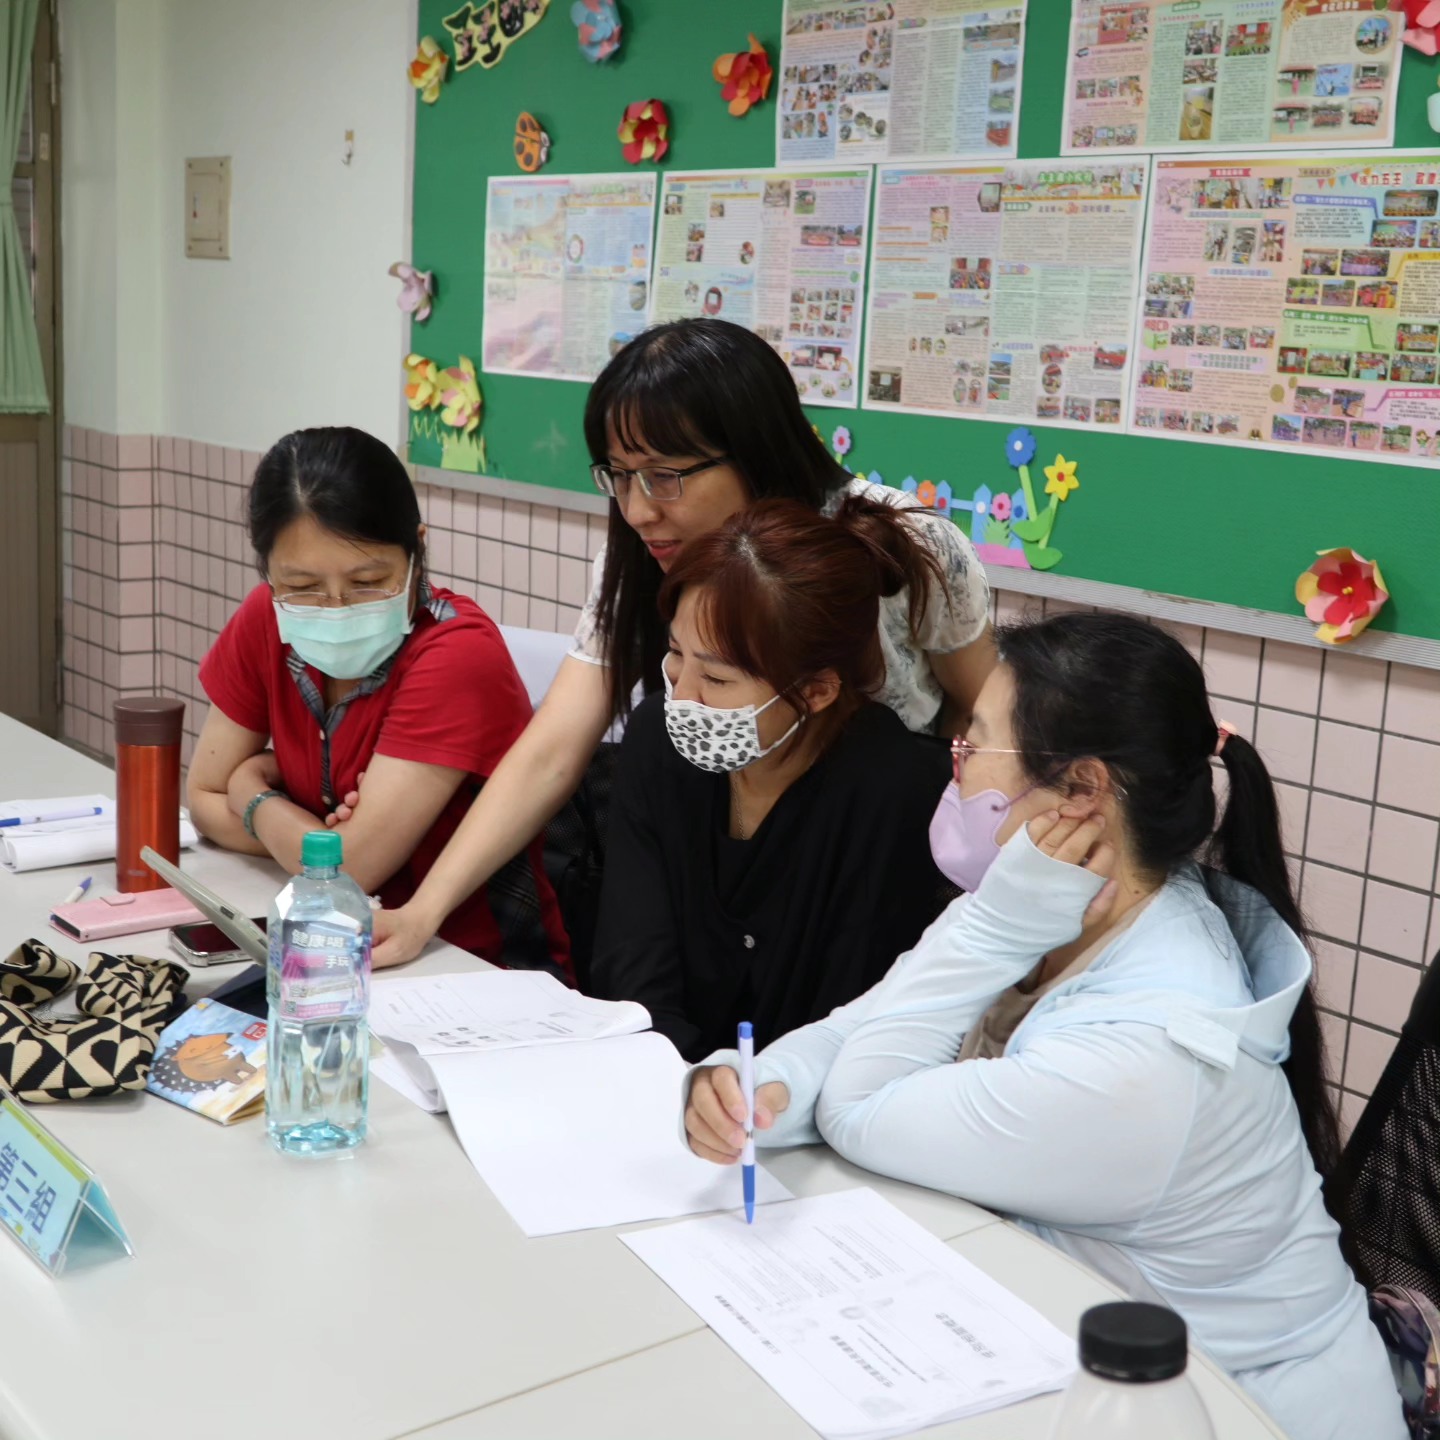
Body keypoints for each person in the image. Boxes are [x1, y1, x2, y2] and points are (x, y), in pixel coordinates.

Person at [684, 613, 1405, 1440]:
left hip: (1237, 1415)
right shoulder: (1054, 902)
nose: (954, 768)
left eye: (973, 746)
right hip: (1097, 1369)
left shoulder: (1146, 1050)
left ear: (1083, 790)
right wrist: (762, 1091)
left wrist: (991, 929)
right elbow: (862, 1029)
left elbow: (860, 1108)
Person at [372, 319, 993, 966]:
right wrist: (424, 910)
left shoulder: (903, 543)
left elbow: (989, 718)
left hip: (873, 865)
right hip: (721, 867)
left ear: (753, 450)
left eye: (665, 476)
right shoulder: (646, 556)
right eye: (619, 475)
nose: (638, 510)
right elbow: (553, 748)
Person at [187, 427, 570, 976]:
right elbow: (202, 797)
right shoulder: (266, 618)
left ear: (416, 550)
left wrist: (252, 793)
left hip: (466, 965)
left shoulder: (456, 654)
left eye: (368, 581)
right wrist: (310, 842)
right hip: (327, 944)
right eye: (303, 586)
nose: (336, 606)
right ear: (267, 571)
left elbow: (349, 869)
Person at [592, 496, 954, 1062]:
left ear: (816, 691)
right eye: (676, 655)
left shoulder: (892, 788)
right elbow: (632, 959)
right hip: (656, 1077)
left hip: (797, 1095)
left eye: (717, 678)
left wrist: (751, 1091)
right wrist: (685, 1078)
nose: (682, 695)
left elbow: (847, 1013)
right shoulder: (658, 741)